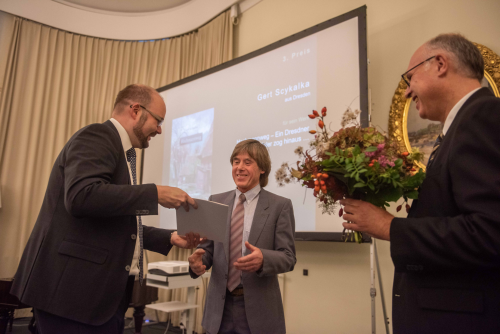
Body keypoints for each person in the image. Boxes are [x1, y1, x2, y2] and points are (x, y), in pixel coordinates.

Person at [11, 84, 203, 334]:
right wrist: (154, 192)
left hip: (96, 300)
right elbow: (82, 197)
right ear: (135, 110)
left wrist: (169, 237)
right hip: (72, 296)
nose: (159, 129)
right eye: (158, 120)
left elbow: (114, 223)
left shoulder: (124, 153)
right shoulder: (98, 136)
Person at [340, 34, 500, 333]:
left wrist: (389, 226)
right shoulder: (462, 126)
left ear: (440, 64)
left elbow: (490, 231)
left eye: (409, 78)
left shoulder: (484, 116)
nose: (406, 92)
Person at [188, 139, 296, 334]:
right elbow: (208, 251)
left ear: (262, 168)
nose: (239, 167)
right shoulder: (216, 202)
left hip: (258, 311)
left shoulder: (280, 206)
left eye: (248, 162)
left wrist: (264, 259)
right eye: (236, 161)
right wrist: (198, 263)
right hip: (219, 310)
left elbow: (288, 257)